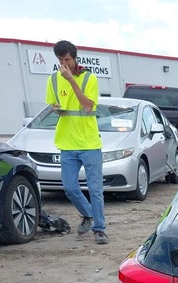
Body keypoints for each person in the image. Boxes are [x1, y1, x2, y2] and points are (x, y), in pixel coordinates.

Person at [46, 40, 108, 244]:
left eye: (67, 59)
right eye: (60, 60)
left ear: (75, 57)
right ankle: (88, 215)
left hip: (89, 143)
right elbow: (53, 104)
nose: (64, 64)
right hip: (66, 142)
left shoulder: (89, 78)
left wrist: (72, 80)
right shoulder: (53, 79)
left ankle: (99, 229)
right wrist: (56, 108)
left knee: (95, 189)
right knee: (70, 187)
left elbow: (88, 106)